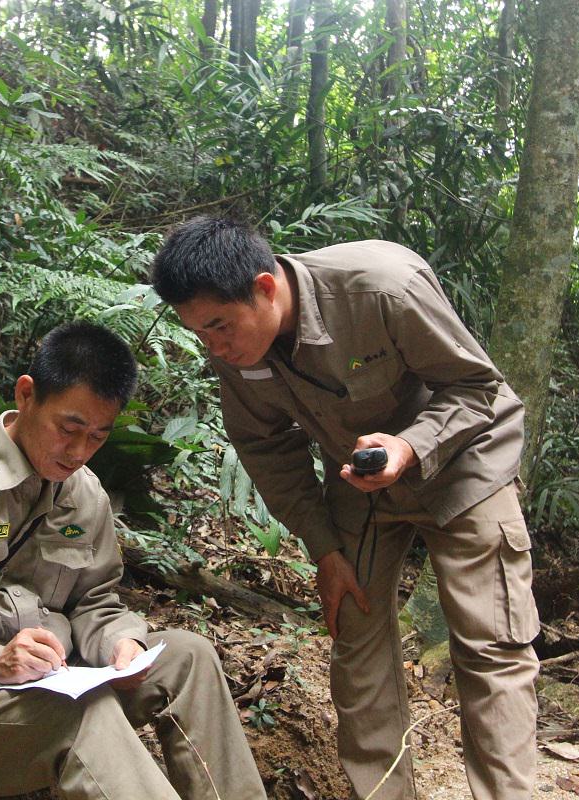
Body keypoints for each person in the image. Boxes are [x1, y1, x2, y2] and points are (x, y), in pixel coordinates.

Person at [149, 218, 539, 800]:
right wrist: (325, 549)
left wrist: (409, 447)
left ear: (264, 287)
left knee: (489, 643)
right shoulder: (235, 347)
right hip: (361, 481)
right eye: (200, 334)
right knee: (356, 638)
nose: (216, 348)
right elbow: (266, 449)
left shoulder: (381, 288)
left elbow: (476, 388)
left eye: (219, 328)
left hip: (464, 461)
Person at [0, 320, 266, 800]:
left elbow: (96, 601)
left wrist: (120, 644)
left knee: (189, 658)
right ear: (27, 395)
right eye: (68, 430)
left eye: (97, 437)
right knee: (84, 714)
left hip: (48, 686)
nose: (79, 452)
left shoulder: (85, 494)